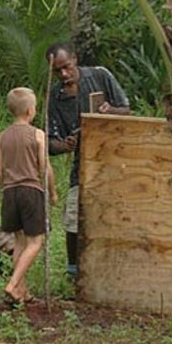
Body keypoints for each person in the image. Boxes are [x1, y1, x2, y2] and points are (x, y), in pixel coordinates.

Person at [45, 43, 130, 279]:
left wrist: (109, 111)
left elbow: (126, 110)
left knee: (115, 215)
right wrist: (65, 145)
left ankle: (116, 266)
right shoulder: (55, 96)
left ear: (75, 59)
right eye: (58, 71)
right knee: (73, 218)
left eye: (67, 67)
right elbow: (50, 143)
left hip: (114, 159)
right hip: (82, 166)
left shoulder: (100, 76)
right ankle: (73, 271)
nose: (64, 74)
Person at [0, 87, 57, 306]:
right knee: (35, 242)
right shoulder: (37, 134)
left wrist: (7, 187)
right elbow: (45, 167)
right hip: (31, 191)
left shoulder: (3, 136)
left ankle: (22, 291)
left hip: (10, 192)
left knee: (19, 241)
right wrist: (53, 192)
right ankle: (12, 284)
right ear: (31, 110)